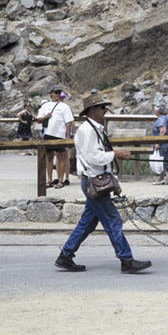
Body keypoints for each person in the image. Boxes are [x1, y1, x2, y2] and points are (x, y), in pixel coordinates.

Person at [55, 91, 152, 274]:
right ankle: (126, 260)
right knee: (112, 220)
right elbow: (94, 158)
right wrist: (117, 154)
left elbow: (99, 160)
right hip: (94, 181)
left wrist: (113, 182)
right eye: (102, 107)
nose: (106, 110)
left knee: (88, 222)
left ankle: (66, 255)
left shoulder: (95, 128)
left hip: (98, 181)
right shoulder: (86, 131)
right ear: (92, 110)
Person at [36, 85, 74, 189]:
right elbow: (39, 120)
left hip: (60, 134)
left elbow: (68, 122)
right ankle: (49, 179)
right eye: (56, 92)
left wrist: (67, 137)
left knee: (60, 156)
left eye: (59, 93)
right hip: (48, 134)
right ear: (51, 93)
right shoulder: (45, 106)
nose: (58, 94)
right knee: (48, 156)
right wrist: (46, 117)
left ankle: (60, 180)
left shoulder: (64, 107)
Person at [152, 103, 168, 185]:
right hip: (165, 144)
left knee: (164, 161)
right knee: (164, 162)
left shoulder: (162, 119)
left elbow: (163, 131)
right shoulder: (165, 118)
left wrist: (158, 143)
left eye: (155, 109)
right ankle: (162, 178)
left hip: (163, 144)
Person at [59, 91, 76, 186]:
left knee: (66, 155)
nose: (61, 99)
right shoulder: (55, 107)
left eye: (62, 97)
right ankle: (58, 177)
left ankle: (66, 177)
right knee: (58, 156)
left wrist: (73, 133)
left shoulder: (67, 107)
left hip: (66, 133)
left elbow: (71, 121)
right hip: (58, 133)